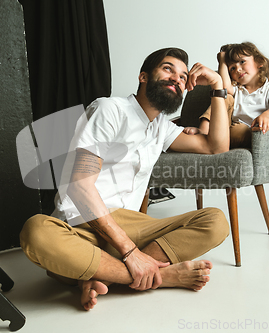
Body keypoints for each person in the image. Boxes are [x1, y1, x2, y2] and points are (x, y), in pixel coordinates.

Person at [19, 47, 231, 311]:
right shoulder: (109, 109)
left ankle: (99, 273)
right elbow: (79, 186)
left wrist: (218, 86)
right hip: (82, 226)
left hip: (129, 225)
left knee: (215, 221)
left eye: (182, 76)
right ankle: (160, 277)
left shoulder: (161, 128)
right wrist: (131, 253)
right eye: (168, 69)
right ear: (143, 76)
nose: (176, 78)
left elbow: (216, 146)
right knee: (37, 232)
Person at [183, 42, 269, 149]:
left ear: (259, 62)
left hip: (250, 132)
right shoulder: (238, 89)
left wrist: (267, 115)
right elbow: (225, 87)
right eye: (232, 68)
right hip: (225, 130)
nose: (238, 69)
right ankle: (204, 131)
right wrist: (222, 61)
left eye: (242, 62)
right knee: (224, 98)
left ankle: (212, 139)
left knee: (240, 129)